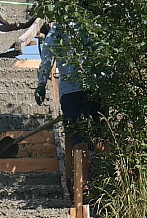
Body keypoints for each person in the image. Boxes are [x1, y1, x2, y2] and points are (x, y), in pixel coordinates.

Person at [35, 22, 106, 186]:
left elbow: (47, 56)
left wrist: (41, 84)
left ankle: (84, 184)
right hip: (97, 86)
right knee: (102, 134)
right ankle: (103, 183)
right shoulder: (95, 23)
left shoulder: (59, 29)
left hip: (72, 91)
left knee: (79, 138)